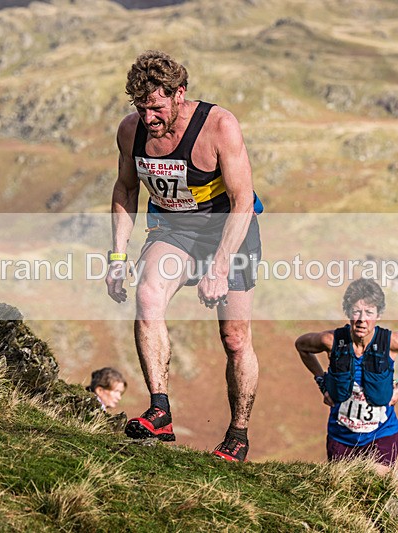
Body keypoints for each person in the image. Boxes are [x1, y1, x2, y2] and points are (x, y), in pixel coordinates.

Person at [106, 50, 262, 462]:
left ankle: (238, 435)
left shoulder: (219, 126)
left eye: (157, 107)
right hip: (175, 229)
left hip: (230, 229)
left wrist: (220, 266)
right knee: (147, 296)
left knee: (234, 337)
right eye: (141, 109)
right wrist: (118, 256)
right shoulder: (131, 131)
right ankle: (160, 410)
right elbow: (125, 190)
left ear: (180, 94)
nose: (150, 119)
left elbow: (242, 199)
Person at [295, 278, 398, 475]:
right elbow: (302, 346)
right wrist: (322, 381)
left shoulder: (392, 342)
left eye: (369, 312)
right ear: (348, 312)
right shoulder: (332, 341)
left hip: (382, 434)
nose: (362, 319)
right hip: (341, 437)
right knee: (343, 492)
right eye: (356, 311)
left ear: (378, 315)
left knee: (373, 486)